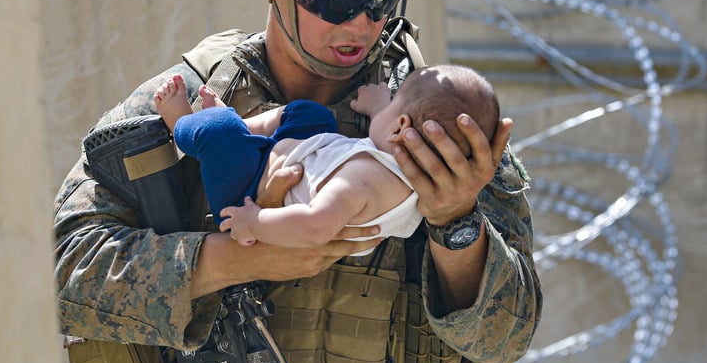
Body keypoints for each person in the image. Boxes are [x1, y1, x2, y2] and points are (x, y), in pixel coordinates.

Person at [53, 0, 543, 363]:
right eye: (334, 2)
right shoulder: (190, 103)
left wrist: (455, 223)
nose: (361, 25)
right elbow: (65, 275)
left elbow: (505, 341)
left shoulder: (438, 125)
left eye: (380, 3)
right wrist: (237, 260)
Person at [153, 65, 500, 255]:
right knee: (311, 115)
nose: (387, 103)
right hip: (303, 156)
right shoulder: (411, 177)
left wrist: (254, 221)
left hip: (248, 190)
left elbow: (317, 226)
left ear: (401, 127)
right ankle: (239, 128)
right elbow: (390, 136)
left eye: (394, 103)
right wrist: (381, 106)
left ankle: (182, 122)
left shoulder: (360, 182)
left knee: (216, 133)